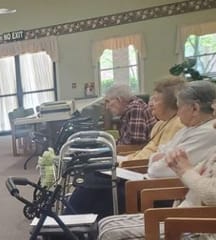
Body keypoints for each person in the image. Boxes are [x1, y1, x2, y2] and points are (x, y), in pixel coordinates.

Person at [78, 86, 216, 240]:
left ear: (195, 108)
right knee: (106, 224)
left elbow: (207, 191)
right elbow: (161, 160)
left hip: (196, 228)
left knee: (115, 238)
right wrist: (182, 169)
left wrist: (184, 169)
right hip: (184, 214)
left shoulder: (207, 134)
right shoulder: (194, 131)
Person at [67, 79, 216, 218]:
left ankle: (68, 234)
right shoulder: (190, 128)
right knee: (92, 181)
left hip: (156, 190)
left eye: (180, 106)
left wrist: (156, 160)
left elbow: (160, 169)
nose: (177, 111)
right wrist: (157, 159)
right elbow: (160, 155)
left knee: (96, 190)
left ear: (195, 109)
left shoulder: (206, 132)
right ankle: (67, 230)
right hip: (148, 181)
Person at [120, 76, 186, 162]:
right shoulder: (160, 123)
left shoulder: (177, 124)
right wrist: (127, 158)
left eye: (155, 100)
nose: (150, 104)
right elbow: (148, 150)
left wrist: (125, 161)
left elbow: (160, 157)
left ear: (171, 103)